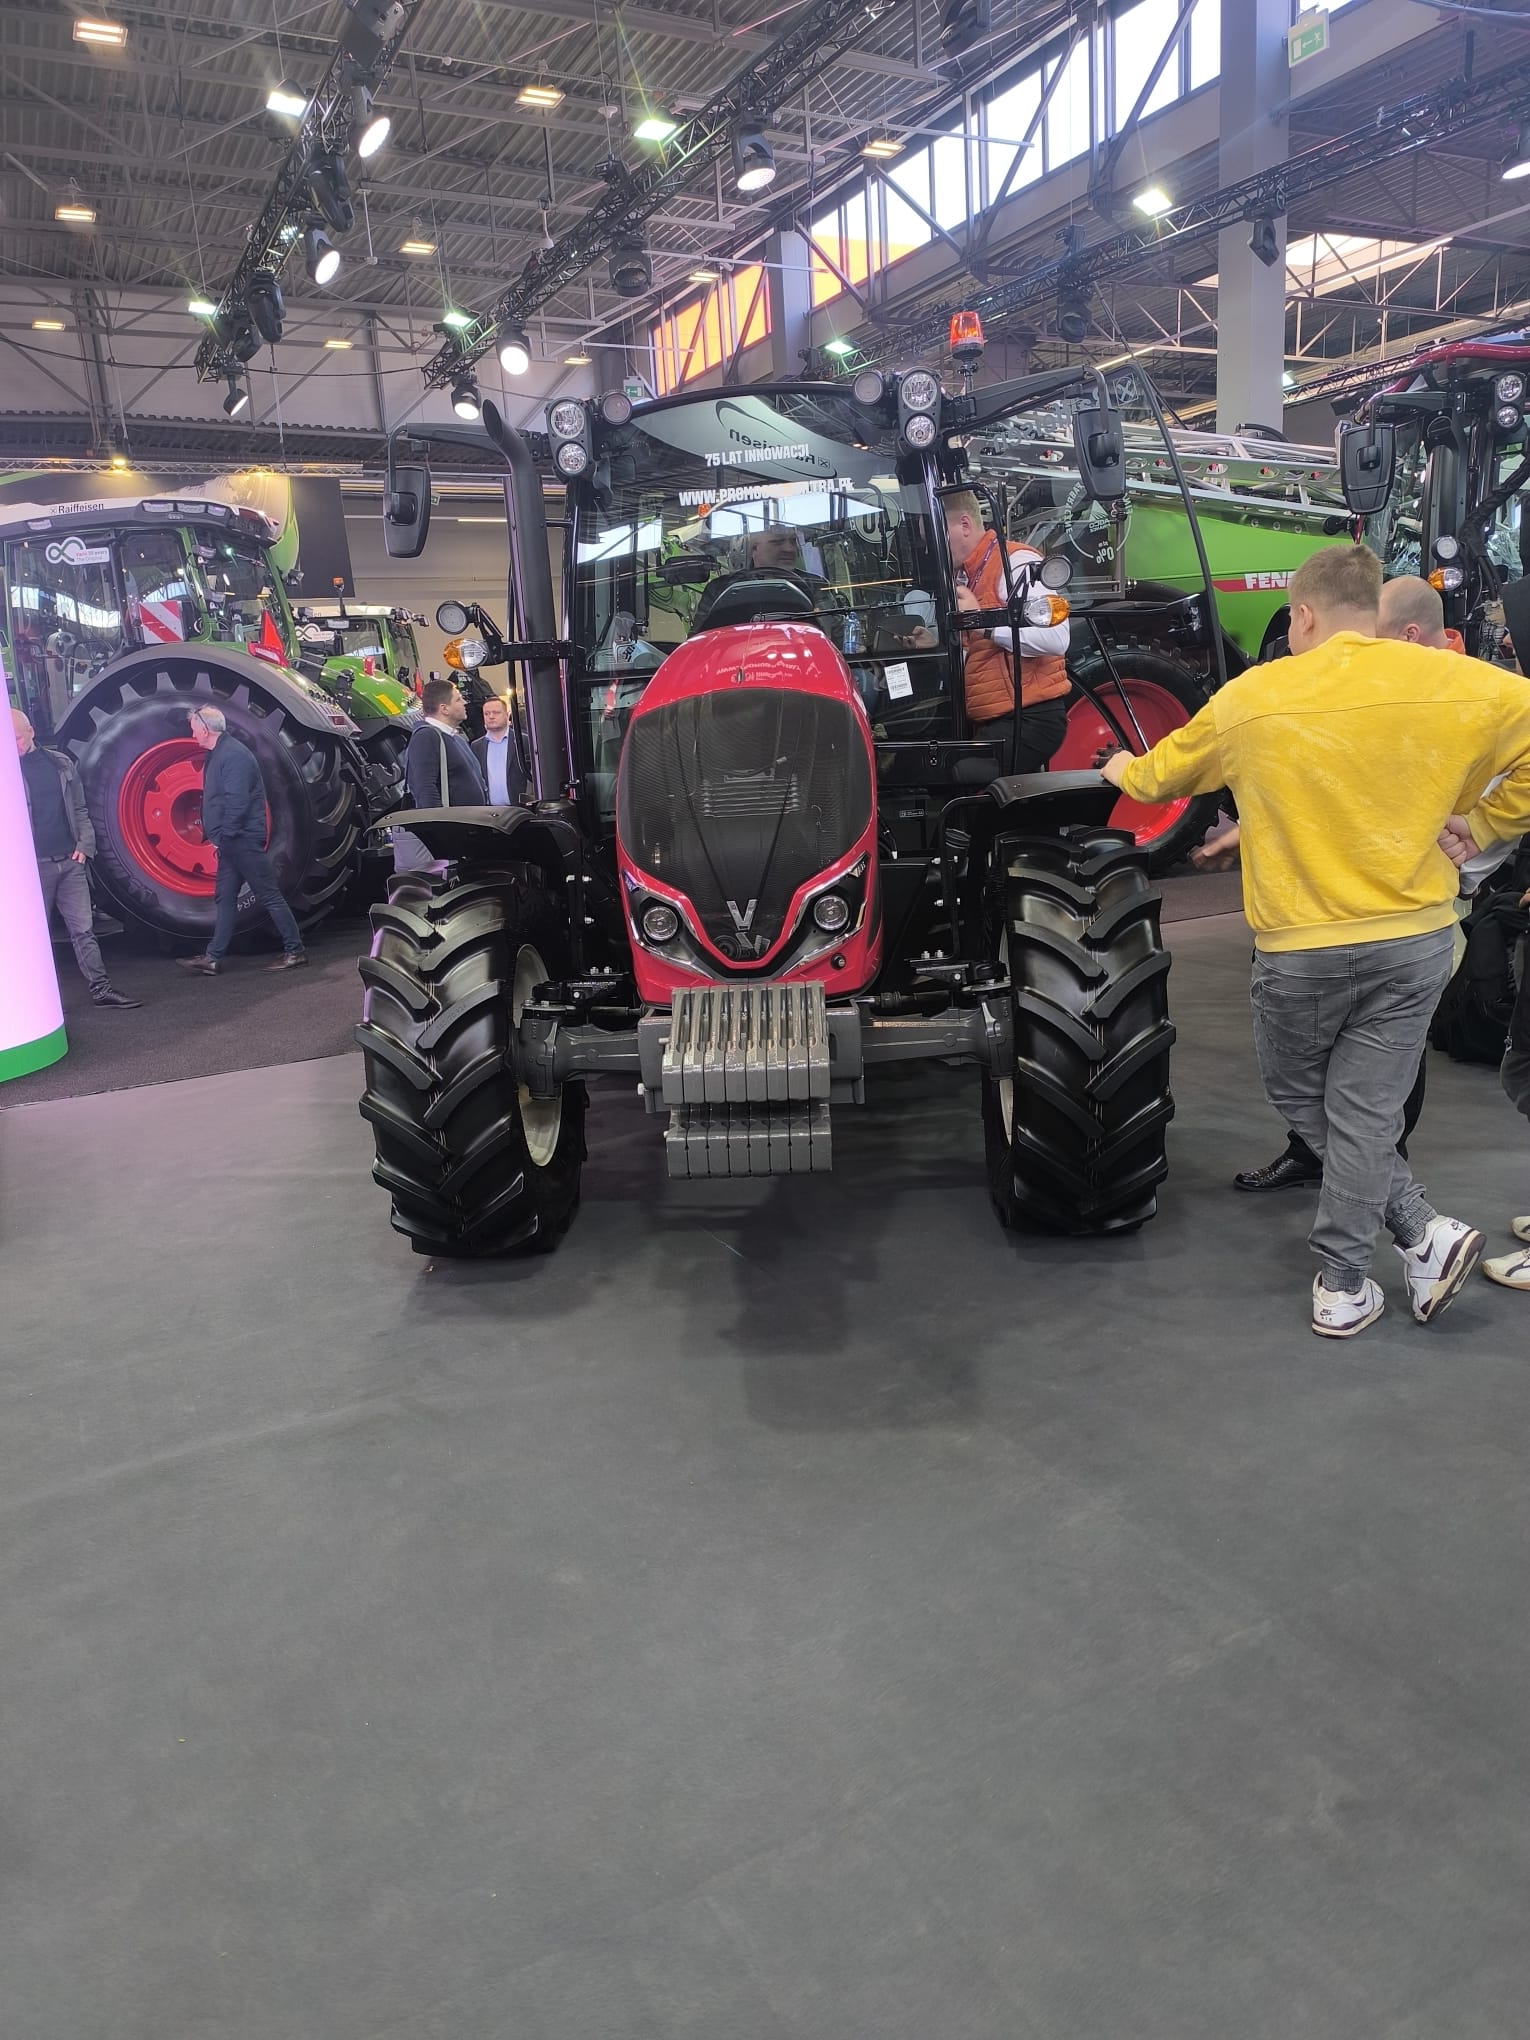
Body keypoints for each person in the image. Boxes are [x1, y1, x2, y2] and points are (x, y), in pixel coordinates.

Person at [1102, 542, 1530, 1337]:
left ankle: (1387, 1254)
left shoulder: (1255, 695)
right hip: (1416, 940)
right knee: (1364, 1112)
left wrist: (1120, 767)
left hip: (1303, 946)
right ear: (1371, 609)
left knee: (1305, 1097)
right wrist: (1486, 823)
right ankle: (1374, 1266)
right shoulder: (1455, 681)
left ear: (1302, 615)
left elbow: (1160, 778)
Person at [1232, 575, 1512, 1191]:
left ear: (1407, 635)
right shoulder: (1376, 688)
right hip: (1328, 903)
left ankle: (1382, 1181)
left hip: (1413, 908)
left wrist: (1480, 834)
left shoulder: (1466, 698)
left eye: (1368, 634)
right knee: (1319, 1058)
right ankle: (1332, 1164)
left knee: (1385, 1064)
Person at [12, 707, 139, 1008]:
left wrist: (85, 844)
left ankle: (101, 990)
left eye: (17, 738)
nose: (13, 745)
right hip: (33, 868)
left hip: (70, 862)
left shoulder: (61, 763)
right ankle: (31, 1002)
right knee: (33, 936)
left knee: (83, 930)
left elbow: (80, 808)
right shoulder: (7, 772)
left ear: (31, 732)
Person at [940, 490, 1072, 774]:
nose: (932, 546)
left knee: (956, 774)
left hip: (1028, 718)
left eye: (939, 534)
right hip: (996, 716)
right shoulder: (968, 575)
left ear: (965, 525)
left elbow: (1056, 638)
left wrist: (981, 622)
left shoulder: (1016, 562)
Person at [176, 706, 306, 975]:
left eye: (194, 728)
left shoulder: (234, 755)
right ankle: (213, 958)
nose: (192, 733)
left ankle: (295, 951)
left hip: (241, 840)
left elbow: (238, 802)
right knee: (224, 897)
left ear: (205, 729)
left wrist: (224, 836)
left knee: (268, 894)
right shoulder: (219, 753)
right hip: (231, 843)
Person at [393, 676, 488, 872]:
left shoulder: (456, 739)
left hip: (465, 835)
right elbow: (424, 789)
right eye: (458, 699)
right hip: (448, 845)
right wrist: (441, 838)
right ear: (444, 708)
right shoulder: (427, 737)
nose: (465, 702)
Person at [472, 692, 527, 808]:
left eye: (496, 712)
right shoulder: (476, 746)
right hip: (489, 810)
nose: (491, 716)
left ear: (507, 715)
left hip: (520, 809)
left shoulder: (523, 741)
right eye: (487, 713)